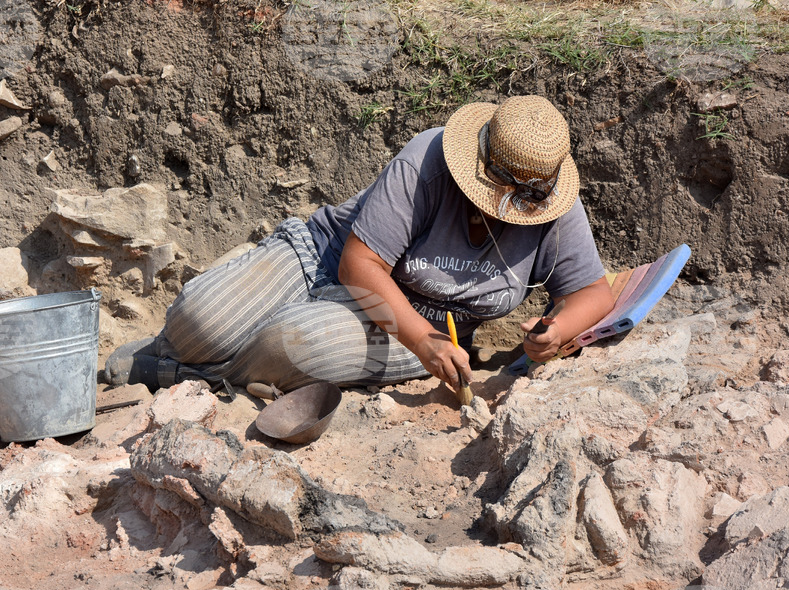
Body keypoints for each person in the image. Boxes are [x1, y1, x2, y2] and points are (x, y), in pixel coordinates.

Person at [104, 95, 613, 394]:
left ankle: (179, 373)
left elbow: (593, 291)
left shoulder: (551, 202)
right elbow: (360, 265)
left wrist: (555, 329)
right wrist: (423, 342)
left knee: (293, 344)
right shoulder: (428, 161)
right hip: (326, 258)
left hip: (428, 320)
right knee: (200, 318)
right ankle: (184, 348)